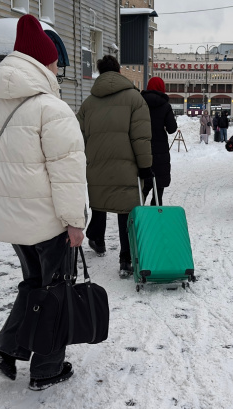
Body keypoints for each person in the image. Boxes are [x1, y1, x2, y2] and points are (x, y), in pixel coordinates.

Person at [0, 15, 86, 391]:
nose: (55, 68)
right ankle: (48, 367)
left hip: (11, 219)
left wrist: (5, 180)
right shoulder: (51, 108)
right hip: (50, 221)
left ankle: (7, 351)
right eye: (54, 62)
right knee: (58, 290)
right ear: (44, 63)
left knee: (34, 283)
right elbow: (67, 173)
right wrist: (74, 221)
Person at [77, 55, 152, 278]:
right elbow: (141, 138)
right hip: (127, 168)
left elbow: (77, 136)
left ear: (100, 73)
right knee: (126, 211)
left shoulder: (88, 104)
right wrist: (146, 167)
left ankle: (97, 240)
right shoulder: (135, 99)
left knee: (100, 202)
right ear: (119, 72)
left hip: (96, 165)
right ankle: (126, 260)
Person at [140, 76, 177, 206]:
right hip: (160, 151)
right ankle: (155, 220)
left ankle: (139, 219)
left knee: (142, 190)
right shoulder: (165, 106)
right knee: (158, 191)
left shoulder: (140, 103)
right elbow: (172, 129)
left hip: (142, 149)